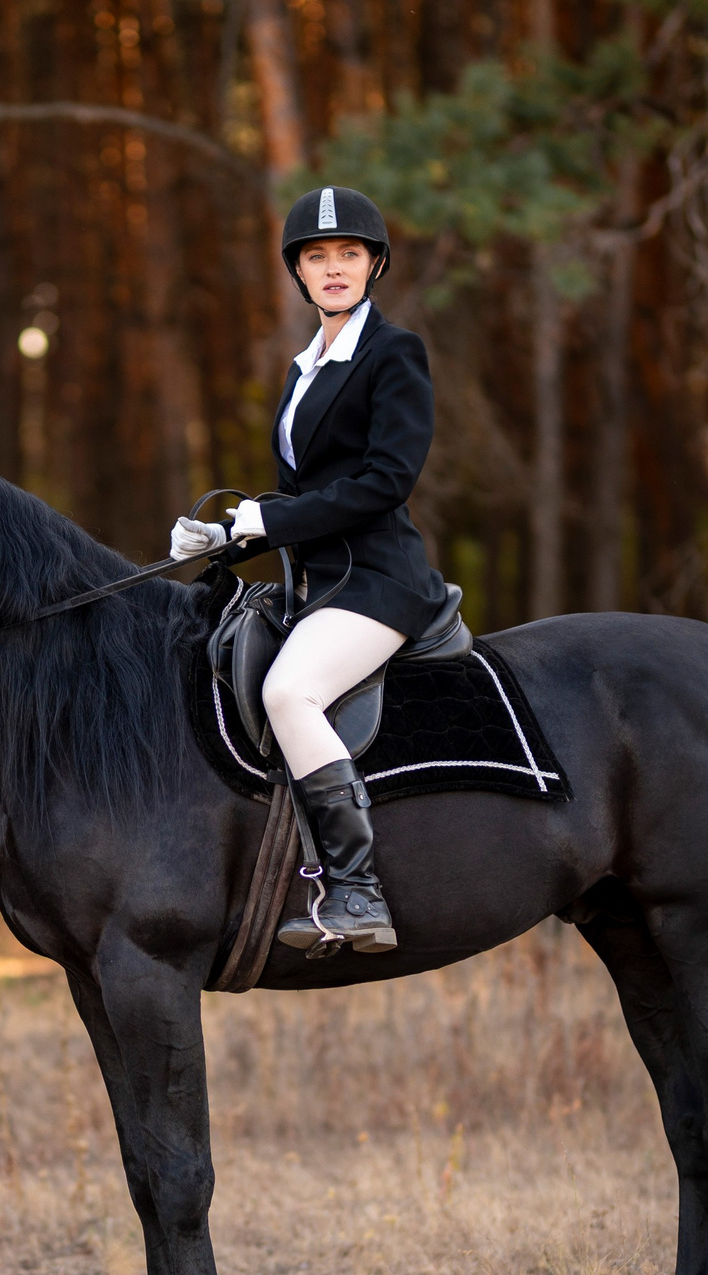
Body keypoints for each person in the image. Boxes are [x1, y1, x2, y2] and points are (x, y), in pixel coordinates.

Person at [171, 185, 445, 954]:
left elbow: (386, 480)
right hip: (318, 584)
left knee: (288, 689)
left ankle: (357, 890)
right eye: (316, 256)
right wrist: (224, 534)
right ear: (298, 271)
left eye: (347, 254)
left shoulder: (393, 353)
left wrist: (274, 517)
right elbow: (306, 496)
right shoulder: (305, 370)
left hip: (379, 581)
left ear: (373, 264)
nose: (332, 269)